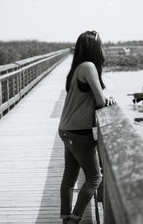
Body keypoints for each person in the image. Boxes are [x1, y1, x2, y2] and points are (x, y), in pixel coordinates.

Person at [59, 31, 115, 224]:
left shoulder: (76, 68)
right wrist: (108, 100)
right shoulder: (89, 66)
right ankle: (74, 219)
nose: (103, 49)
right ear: (95, 47)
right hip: (79, 131)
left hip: (66, 129)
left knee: (70, 177)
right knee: (94, 178)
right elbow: (100, 101)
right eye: (102, 45)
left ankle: (66, 217)